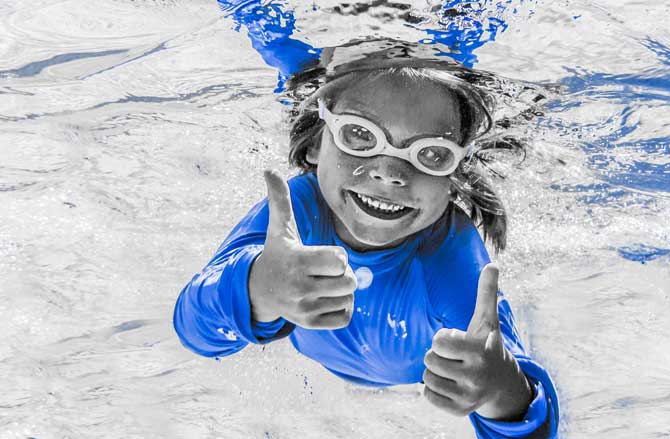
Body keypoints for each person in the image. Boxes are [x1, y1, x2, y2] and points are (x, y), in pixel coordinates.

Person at [173, 62, 559, 438]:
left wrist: (501, 392)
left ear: (454, 174)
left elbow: (533, 424)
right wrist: (259, 287)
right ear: (316, 144)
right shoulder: (293, 214)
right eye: (359, 134)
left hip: (412, 382)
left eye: (431, 154)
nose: (389, 173)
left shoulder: (449, 255)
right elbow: (196, 332)